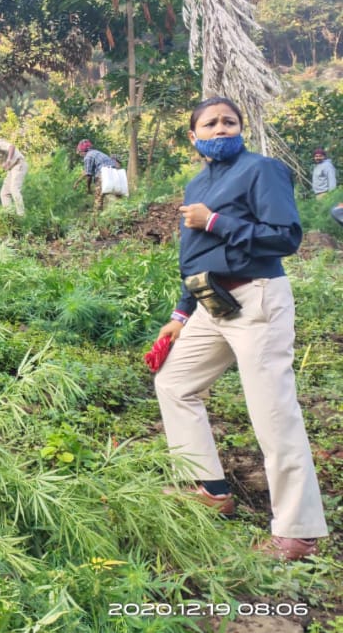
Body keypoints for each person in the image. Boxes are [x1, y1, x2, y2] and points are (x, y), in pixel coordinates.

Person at [153, 96, 327, 561]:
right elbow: (194, 257)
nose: (222, 128)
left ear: (241, 129)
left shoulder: (261, 171)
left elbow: (285, 236)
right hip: (212, 304)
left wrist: (214, 220)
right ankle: (209, 488)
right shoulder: (195, 184)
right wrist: (179, 315)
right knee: (173, 382)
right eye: (210, 124)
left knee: (273, 411)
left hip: (257, 298)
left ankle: (298, 530)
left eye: (230, 121)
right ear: (194, 138)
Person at [73, 139, 119, 211]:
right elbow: (86, 171)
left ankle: (97, 216)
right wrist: (77, 181)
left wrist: (88, 188)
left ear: (82, 151)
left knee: (98, 198)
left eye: (79, 153)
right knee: (115, 195)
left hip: (103, 173)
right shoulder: (96, 152)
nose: (80, 155)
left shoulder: (87, 157)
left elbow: (89, 175)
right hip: (114, 172)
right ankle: (120, 210)